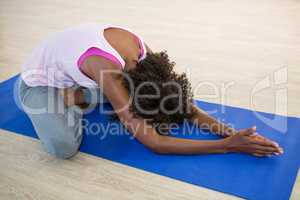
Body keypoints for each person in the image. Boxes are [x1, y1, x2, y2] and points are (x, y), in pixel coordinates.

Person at [18, 23, 283, 159]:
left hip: (82, 69)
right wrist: (227, 147)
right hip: (40, 81)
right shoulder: (110, 74)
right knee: (62, 148)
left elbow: (181, 105)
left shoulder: (143, 54)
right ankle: (64, 100)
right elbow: (155, 142)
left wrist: (230, 132)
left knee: (118, 98)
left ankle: (81, 95)